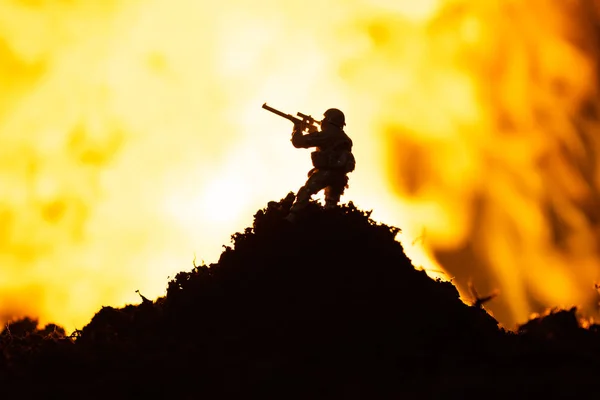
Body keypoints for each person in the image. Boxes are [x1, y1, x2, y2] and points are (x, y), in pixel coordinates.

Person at [286, 108, 356, 222]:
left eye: (324, 119)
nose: (322, 121)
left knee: (306, 192)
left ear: (329, 120)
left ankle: (291, 218)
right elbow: (328, 144)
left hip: (325, 172)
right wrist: (314, 132)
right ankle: (328, 222)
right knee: (331, 203)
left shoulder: (327, 134)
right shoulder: (346, 138)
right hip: (340, 177)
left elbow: (298, 142)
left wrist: (297, 127)